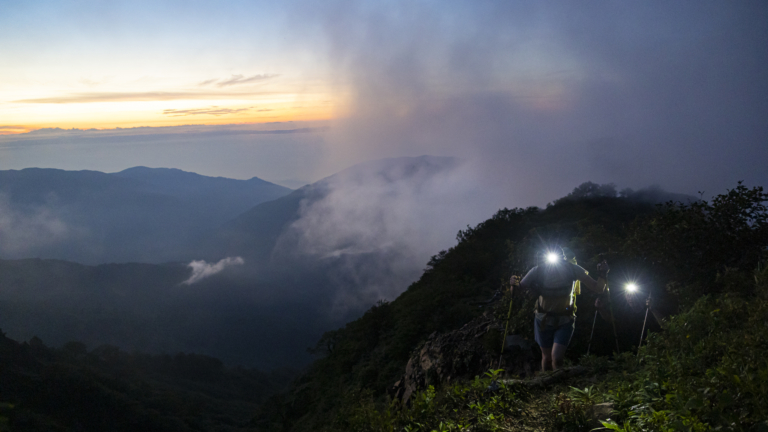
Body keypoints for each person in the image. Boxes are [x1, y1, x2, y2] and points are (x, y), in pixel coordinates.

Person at [511, 247, 609, 371]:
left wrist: (603, 274)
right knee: (547, 358)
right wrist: (513, 284)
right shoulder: (537, 271)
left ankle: (558, 385)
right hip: (543, 319)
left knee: (557, 358)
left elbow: (598, 288)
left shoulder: (573, 269)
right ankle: (547, 386)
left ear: (563, 258)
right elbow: (517, 291)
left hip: (565, 319)